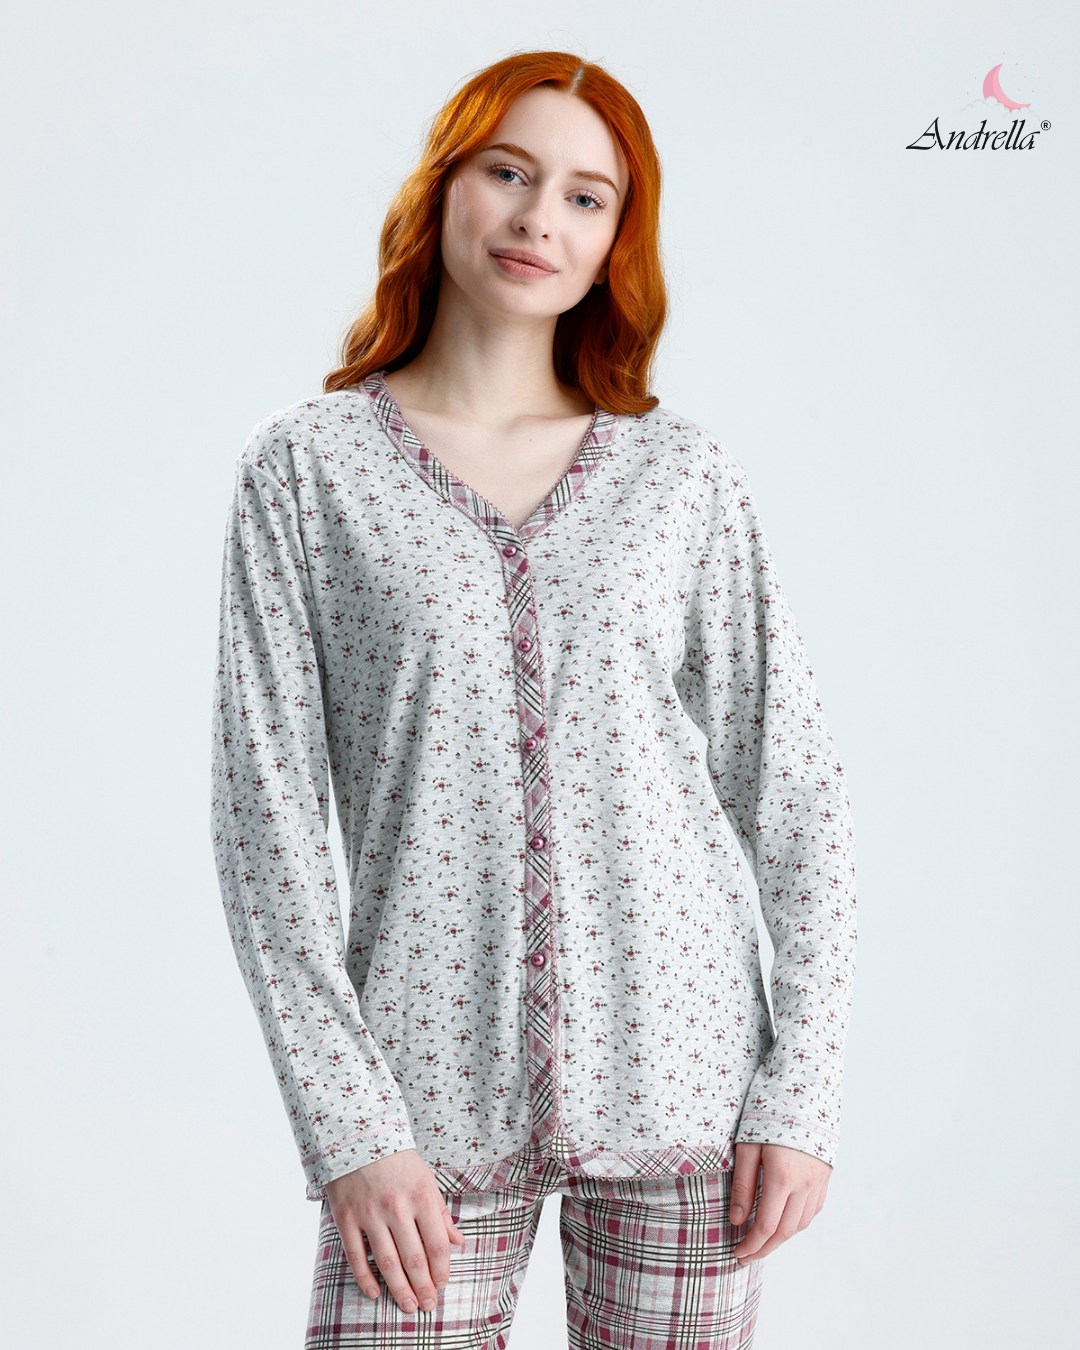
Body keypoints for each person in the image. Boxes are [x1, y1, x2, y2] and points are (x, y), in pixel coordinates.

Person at [210, 48, 857, 1349]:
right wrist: (350, 1128)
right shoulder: (306, 471)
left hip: (686, 1087)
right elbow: (266, 828)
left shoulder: (680, 477)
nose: (537, 219)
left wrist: (802, 1091)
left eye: (584, 196)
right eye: (508, 173)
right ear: (444, 186)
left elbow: (797, 793)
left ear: (618, 240)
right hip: (418, 1109)